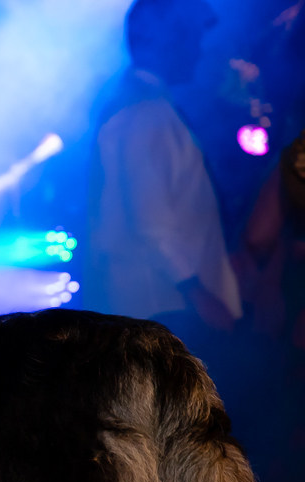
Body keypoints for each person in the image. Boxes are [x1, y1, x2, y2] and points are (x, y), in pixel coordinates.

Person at [85, 0, 242, 331]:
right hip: (165, 310)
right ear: (171, 40)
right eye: (193, 36)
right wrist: (201, 296)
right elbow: (152, 224)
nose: (200, 49)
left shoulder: (137, 105)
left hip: (158, 308)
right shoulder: (147, 115)